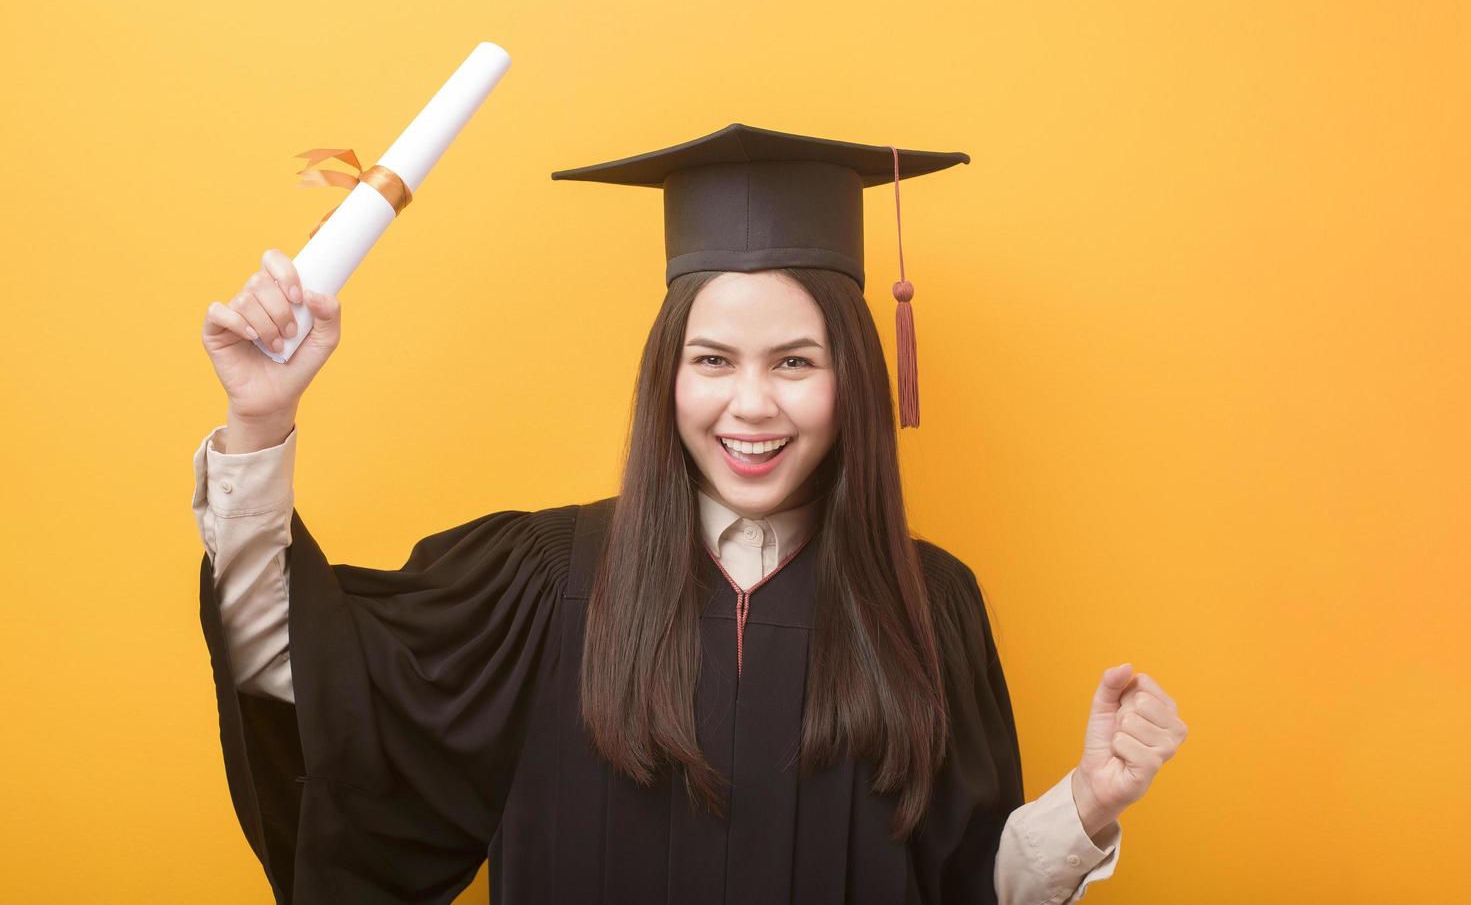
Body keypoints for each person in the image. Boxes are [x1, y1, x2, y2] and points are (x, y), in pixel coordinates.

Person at [193, 124, 1188, 904]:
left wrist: (1089, 802)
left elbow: (969, 885)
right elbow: (296, 671)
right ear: (665, 375)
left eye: (794, 361)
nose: (749, 404)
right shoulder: (540, 581)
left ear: (855, 381)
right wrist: (261, 415)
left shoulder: (928, 604)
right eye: (712, 359)